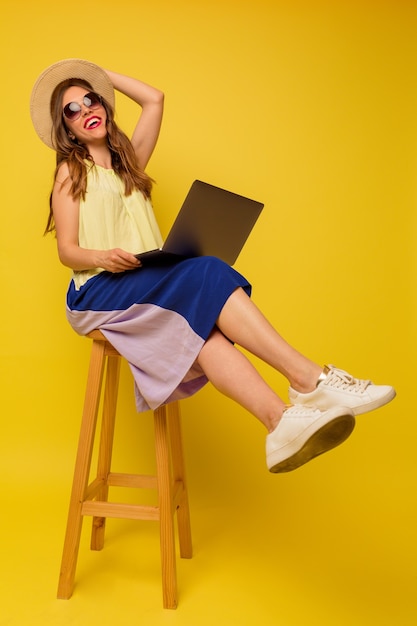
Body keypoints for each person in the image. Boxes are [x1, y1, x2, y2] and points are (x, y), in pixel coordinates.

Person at [30, 58, 395, 474]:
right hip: (96, 292)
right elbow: (67, 250)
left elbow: (154, 99)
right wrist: (102, 257)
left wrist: (95, 73)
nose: (85, 111)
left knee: (208, 334)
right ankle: (311, 380)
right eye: (71, 110)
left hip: (147, 284)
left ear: (104, 107)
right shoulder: (71, 172)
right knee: (208, 269)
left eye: (90, 100)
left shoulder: (131, 165)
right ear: (68, 129)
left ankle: (279, 423)